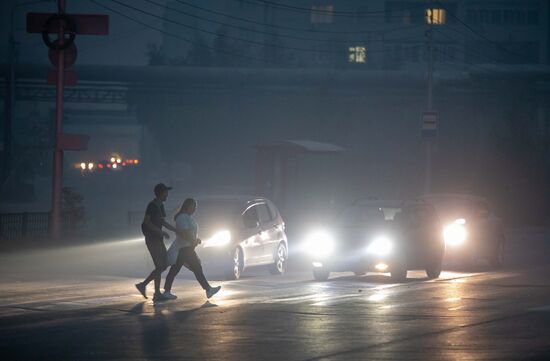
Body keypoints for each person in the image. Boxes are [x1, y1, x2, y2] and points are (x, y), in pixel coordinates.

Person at [163, 198, 221, 300]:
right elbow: (184, 233)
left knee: (177, 269)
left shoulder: (187, 217)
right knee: (196, 268)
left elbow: (189, 233)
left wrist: (195, 239)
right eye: (194, 206)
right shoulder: (182, 218)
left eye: (195, 207)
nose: (195, 209)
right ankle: (208, 289)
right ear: (188, 206)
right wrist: (193, 240)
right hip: (185, 248)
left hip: (186, 247)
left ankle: (167, 291)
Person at [135, 183, 181, 301]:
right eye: (166, 192)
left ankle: (150, 289)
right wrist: (161, 232)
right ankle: (148, 288)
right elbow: (147, 222)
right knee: (161, 265)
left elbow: (163, 222)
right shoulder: (152, 205)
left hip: (157, 239)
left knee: (161, 265)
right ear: (161, 193)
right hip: (152, 239)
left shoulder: (160, 206)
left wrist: (175, 230)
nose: (167, 195)